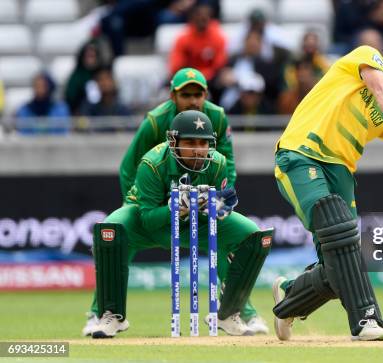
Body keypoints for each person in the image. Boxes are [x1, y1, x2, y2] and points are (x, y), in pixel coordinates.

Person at [271, 32, 383, 341]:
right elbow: (380, 89)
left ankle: (288, 297)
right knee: (337, 228)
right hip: (301, 153)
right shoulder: (367, 58)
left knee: (341, 259)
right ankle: (367, 320)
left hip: (341, 170)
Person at [86, 110, 272, 338]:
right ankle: (112, 315)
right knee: (111, 229)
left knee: (253, 236)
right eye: (190, 142)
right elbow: (148, 219)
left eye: (203, 143)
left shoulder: (218, 162)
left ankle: (228, 313)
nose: (198, 149)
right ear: (173, 141)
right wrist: (176, 206)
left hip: (196, 224)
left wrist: (217, 207)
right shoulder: (152, 163)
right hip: (148, 224)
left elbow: (219, 209)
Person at [118, 68, 236, 198]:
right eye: (186, 95)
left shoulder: (218, 116)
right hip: (160, 189)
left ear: (206, 95)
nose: (193, 101)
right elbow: (130, 167)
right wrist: (132, 202)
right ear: (173, 96)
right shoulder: (155, 121)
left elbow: (227, 160)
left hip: (203, 187)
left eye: (198, 95)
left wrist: (223, 196)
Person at [168, 2, 227, 81]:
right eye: (199, 15)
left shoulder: (217, 37)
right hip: (187, 78)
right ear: (192, 17)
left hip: (211, 78)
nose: (203, 17)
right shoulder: (183, 39)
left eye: (206, 15)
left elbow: (219, 64)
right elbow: (176, 65)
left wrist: (202, 76)